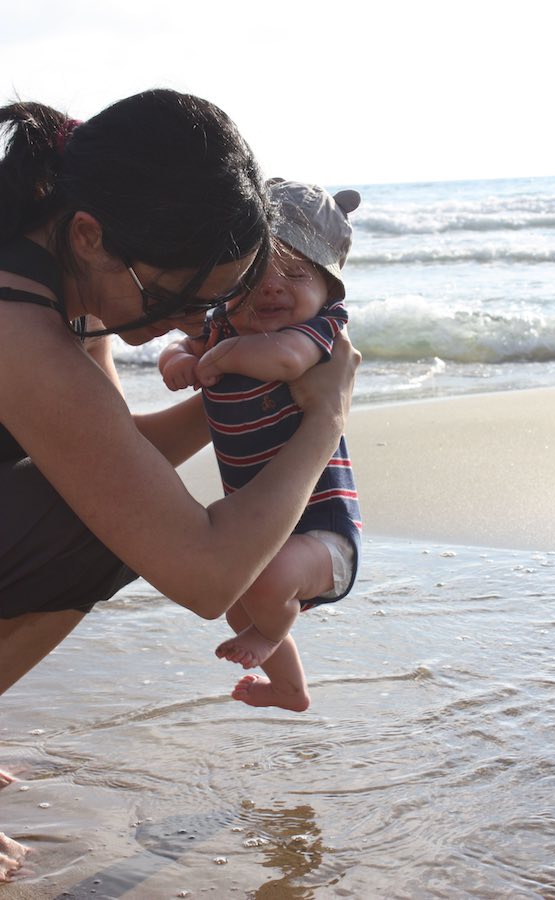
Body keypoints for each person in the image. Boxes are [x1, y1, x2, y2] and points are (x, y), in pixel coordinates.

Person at [0, 94, 360, 882]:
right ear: (91, 236)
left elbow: (111, 448)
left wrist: (231, 389)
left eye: (217, 301)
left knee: (106, 506)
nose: (191, 320)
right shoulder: (15, 324)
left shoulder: (52, 260)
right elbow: (207, 578)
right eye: (181, 294)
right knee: (107, 524)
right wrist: (326, 416)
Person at [159, 180, 362, 713]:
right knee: (237, 601)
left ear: (327, 289)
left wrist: (221, 359)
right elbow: (182, 347)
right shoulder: (222, 326)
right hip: (263, 525)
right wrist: (182, 362)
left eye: (295, 274)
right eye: (254, 278)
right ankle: (290, 690)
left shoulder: (320, 331)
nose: (272, 288)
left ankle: (271, 636)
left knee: (266, 584)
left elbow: (287, 362)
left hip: (324, 533)